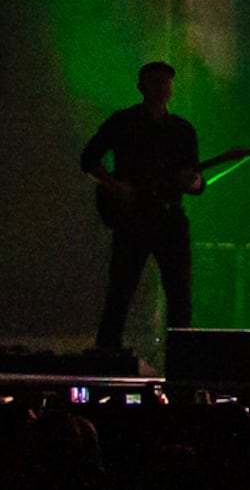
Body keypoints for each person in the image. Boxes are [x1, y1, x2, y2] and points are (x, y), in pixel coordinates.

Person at [84, 61, 206, 358]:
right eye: (155, 81)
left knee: (180, 297)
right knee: (120, 293)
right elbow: (88, 159)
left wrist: (192, 182)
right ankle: (106, 359)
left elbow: (196, 182)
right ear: (141, 87)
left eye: (166, 82)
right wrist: (116, 186)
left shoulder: (182, 130)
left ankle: (181, 363)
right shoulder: (123, 122)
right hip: (133, 220)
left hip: (169, 218)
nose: (162, 87)